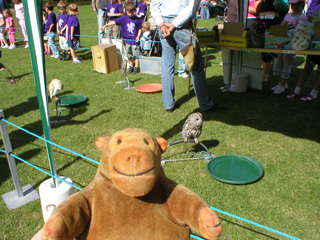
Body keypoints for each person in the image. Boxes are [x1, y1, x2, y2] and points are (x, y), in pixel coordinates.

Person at [150, 0, 222, 113]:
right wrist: (171, 25)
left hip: (165, 22)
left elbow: (154, 6)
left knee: (167, 65)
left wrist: (162, 24)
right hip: (180, 25)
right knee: (196, 66)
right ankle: (206, 105)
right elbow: (192, 8)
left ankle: (169, 105)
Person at [272, 0, 307, 94]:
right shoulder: (288, 15)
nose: (293, 7)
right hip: (284, 43)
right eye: (292, 5)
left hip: (293, 44)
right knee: (279, 61)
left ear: (301, 5)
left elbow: (302, 30)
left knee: (287, 63)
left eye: (295, 5)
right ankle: (281, 83)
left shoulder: (303, 17)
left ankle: (282, 84)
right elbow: (281, 26)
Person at [101, 2, 142, 74]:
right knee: (129, 54)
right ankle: (131, 67)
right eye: (129, 12)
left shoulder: (138, 19)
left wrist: (138, 36)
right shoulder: (123, 18)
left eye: (132, 12)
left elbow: (140, 28)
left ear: (135, 11)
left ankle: (136, 67)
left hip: (135, 41)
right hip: (127, 40)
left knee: (136, 55)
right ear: (126, 11)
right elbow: (114, 22)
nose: (130, 14)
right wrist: (105, 25)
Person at [258, 0, 284, 82]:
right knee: (264, 52)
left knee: (268, 53)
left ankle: (265, 74)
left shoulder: (277, 3)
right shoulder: (262, 2)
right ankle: (264, 73)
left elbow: (283, 12)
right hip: (263, 26)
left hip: (272, 26)